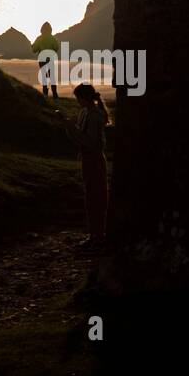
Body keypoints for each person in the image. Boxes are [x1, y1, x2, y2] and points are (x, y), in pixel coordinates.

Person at [66, 82, 110, 251]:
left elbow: (90, 142)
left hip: (93, 158)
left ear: (84, 98)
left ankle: (98, 235)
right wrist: (71, 129)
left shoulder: (92, 115)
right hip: (89, 158)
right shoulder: (86, 112)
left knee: (96, 196)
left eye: (78, 98)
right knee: (92, 195)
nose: (77, 102)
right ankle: (95, 234)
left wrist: (71, 129)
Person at [31, 20, 60, 98]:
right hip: (50, 59)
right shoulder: (52, 38)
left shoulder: (39, 38)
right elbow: (56, 47)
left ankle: (45, 93)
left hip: (42, 59)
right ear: (50, 29)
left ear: (42, 29)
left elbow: (34, 50)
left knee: (44, 76)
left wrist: (33, 46)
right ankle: (55, 94)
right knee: (52, 76)